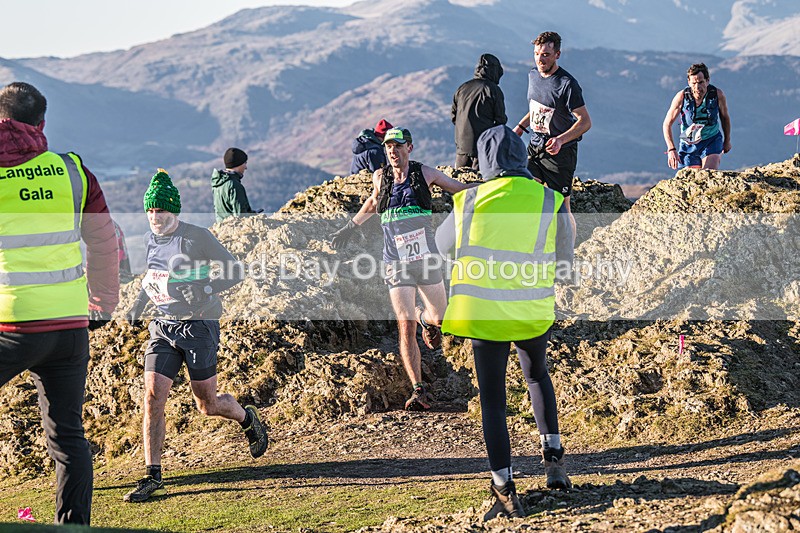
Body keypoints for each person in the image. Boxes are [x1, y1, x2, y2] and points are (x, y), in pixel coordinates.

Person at [436, 125, 574, 520]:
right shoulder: (549, 198)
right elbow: (564, 252)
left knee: (493, 402)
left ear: (484, 161)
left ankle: (504, 486)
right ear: (520, 158)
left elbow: (442, 248)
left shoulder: (469, 201)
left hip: (486, 315)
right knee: (537, 377)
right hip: (533, 310)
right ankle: (555, 464)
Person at [0, 81, 119, 525]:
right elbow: (106, 244)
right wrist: (103, 303)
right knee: (69, 438)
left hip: (12, 326)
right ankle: (74, 526)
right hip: (70, 327)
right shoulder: (72, 172)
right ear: (42, 124)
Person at [123, 169, 268, 503]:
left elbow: (236, 270)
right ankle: (152, 475)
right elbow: (152, 276)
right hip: (163, 327)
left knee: (207, 403)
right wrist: (138, 304)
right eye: (150, 210)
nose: (155, 217)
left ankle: (247, 418)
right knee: (152, 396)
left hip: (198, 326)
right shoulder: (148, 240)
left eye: (162, 210)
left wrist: (203, 288)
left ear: (175, 211)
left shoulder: (197, 237)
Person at [330, 127, 473, 411]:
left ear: (410, 147)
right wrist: (350, 226)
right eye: (388, 147)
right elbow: (373, 200)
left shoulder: (426, 174)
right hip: (395, 262)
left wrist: (497, 188)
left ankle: (425, 318)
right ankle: (418, 389)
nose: (392, 151)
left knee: (441, 319)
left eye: (397, 146)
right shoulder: (380, 176)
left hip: (426, 259)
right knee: (403, 326)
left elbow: (460, 190)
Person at [512, 31, 591, 226]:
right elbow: (537, 108)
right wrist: (521, 126)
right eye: (537, 54)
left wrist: (560, 140)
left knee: (562, 207)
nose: (540, 59)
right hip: (536, 146)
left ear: (557, 54)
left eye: (546, 54)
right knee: (527, 188)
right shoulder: (532, 76)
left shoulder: (567, 84)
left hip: (561, 153)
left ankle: (568, 250)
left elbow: (585, 121)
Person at [662, 62, 732, 170]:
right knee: (690, 180)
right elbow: (667, 124)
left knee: (708, 174)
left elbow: (725, 117)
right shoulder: (681, 97)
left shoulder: (717, 95)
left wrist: (727, 140)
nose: (697, 87)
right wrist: (671, 149)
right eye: (694, 83)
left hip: (711, 140)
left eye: (700, 82)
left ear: (707, 81)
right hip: (689, 144)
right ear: (689, 82)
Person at [452, 53, 507, 170]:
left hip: (461, 147)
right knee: (479, 183)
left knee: (459, 183)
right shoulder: (493, 90)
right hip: (482, 147)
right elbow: (500, 121)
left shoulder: (462, 88)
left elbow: (454, 116)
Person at [212, 147, 261, 222]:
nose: (246, 167)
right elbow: (241, 216)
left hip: (222, 228)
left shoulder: (218, 183)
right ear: (238, 164)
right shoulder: (234, 185)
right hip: (234, 230)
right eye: (245, 163)